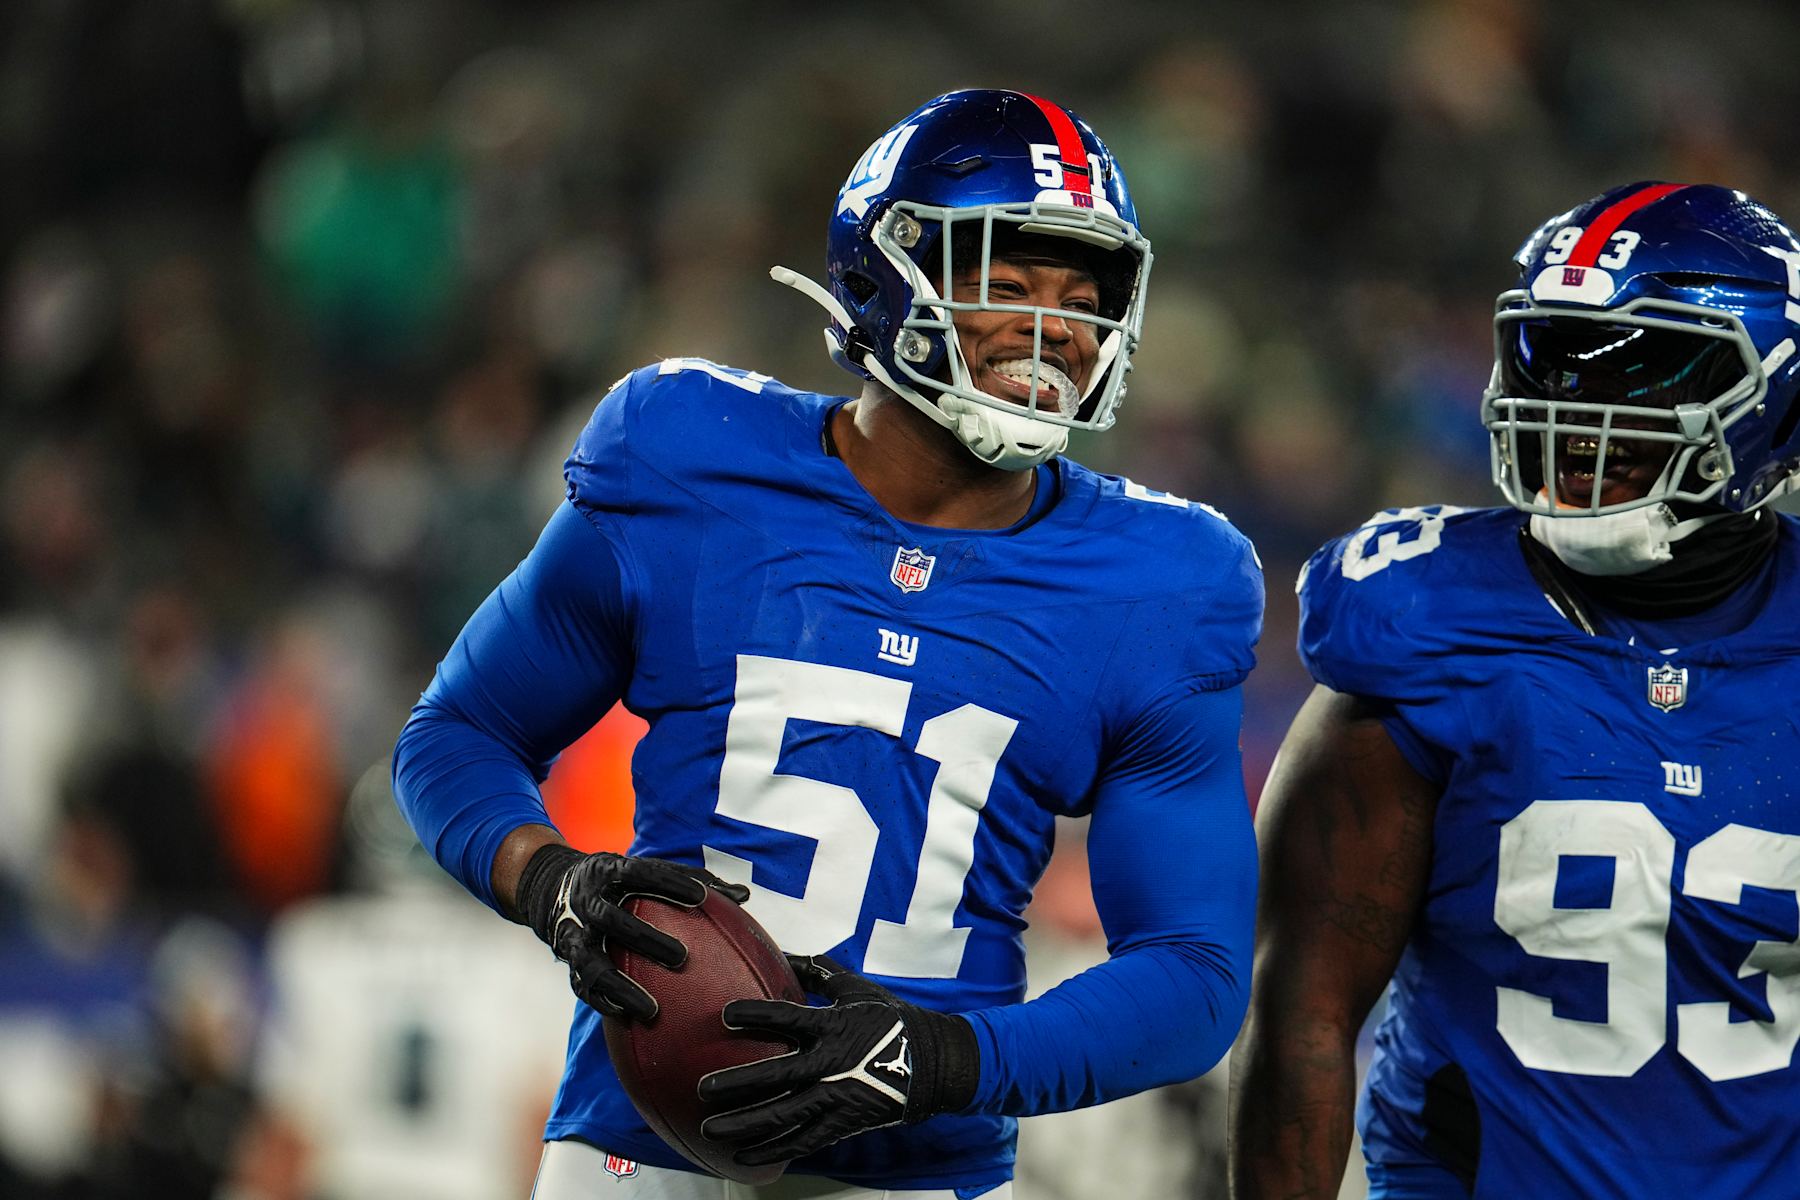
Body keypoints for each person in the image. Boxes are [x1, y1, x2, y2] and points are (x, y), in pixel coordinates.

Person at [394, 88, 1262, 1199]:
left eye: (1083, 297)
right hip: (640, 1145)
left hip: (917, 1168)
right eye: (1003, 280)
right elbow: (457, 733)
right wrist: (549, 877)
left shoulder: (1165, 579)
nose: (1053, 330)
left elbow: (1193, 975)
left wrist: (944, 1058)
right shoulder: (687, 456)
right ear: (884, 269)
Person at [1228, 181, 1800, 1199]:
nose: (1581, 411)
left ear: (1777, 397)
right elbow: (1303, 1014)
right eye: (1558, 356)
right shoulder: (1420, 620)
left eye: (1651, 369)